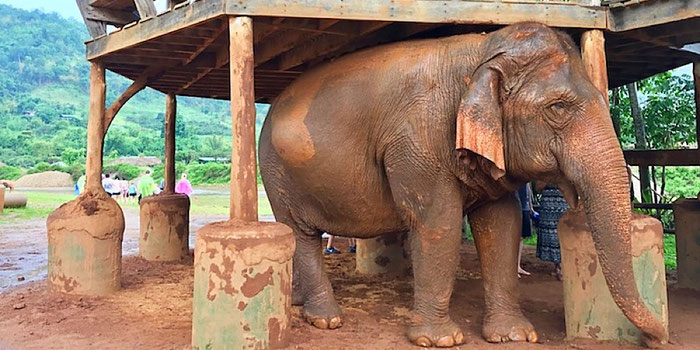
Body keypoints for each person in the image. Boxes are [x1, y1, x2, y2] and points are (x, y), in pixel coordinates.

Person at [535, 183, 569, 281]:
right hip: (548, 206)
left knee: (563, 234)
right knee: (551, 235)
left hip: (563, 203)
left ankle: (562, 266)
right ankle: (558, 265)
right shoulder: (543, 171)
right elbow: (538, 187)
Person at [517, 183, 535, 277]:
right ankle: (511, 267)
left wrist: (530, 206)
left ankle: (517, 266)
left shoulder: (527, 180)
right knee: (513, 237)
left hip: (525, 207)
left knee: (521, 237)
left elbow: (528, 190)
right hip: (515, 206)